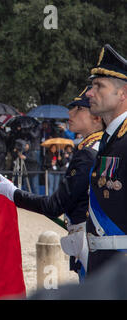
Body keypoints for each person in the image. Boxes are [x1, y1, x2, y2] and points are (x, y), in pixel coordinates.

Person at [0, 85, 104, 280]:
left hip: (91, 246)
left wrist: (11, 192)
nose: (70, 112)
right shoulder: (101, 146)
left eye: (79, 109)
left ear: (97, 117)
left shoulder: (88, 153)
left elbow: (54, 206)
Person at [83, 44, 127, 274]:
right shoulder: (109, 139)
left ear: (123, 93)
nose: (90, 92)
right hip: (104, 266)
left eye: (99, 86)